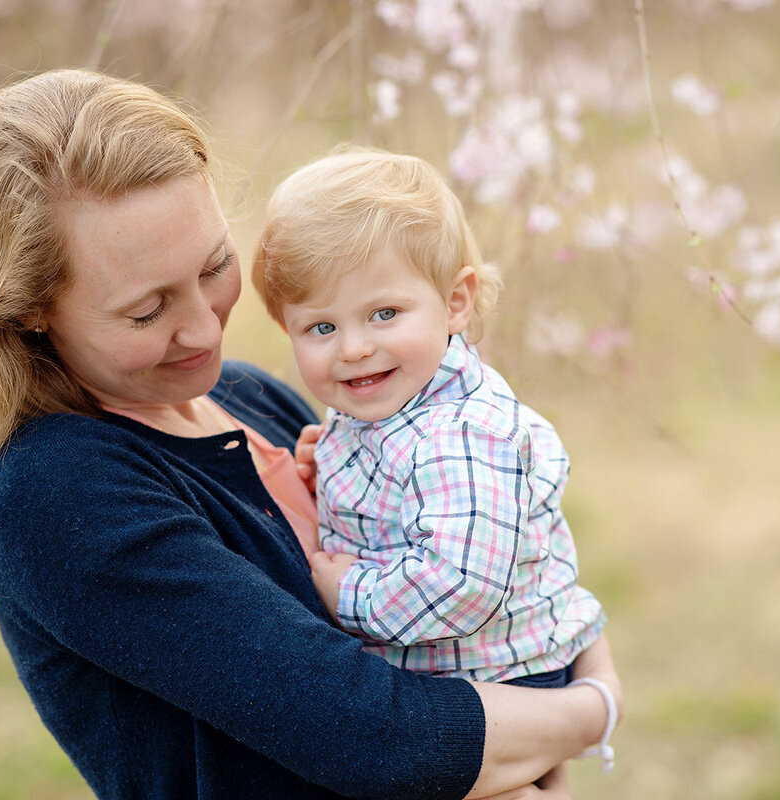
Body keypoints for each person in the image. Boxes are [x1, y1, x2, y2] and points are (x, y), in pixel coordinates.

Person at [0, 68, 620, 800]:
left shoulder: (253, 396)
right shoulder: (53, 491)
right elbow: (384, 739)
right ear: (29, 309)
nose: (207, 328)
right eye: (148, 311)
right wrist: (592, 706)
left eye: (214, 266)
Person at [251, 149, 613, 793]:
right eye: (321, 326)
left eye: (384, 314)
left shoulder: (459, 433)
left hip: (496, 674)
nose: (355, 346)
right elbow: (397, 500)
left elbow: (462, 582)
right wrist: (327, 465)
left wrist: (349, 594)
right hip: (458, 667)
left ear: (455, 303)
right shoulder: (388, 399)